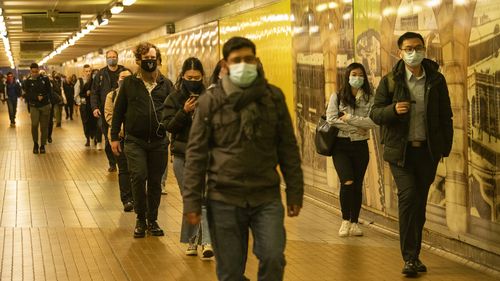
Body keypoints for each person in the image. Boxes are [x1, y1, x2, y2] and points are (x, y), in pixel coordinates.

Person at [182, 36, 304, 281]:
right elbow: (196, 155)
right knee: (230, 272)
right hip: (224, 198)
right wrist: (192, 202)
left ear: (257, 61)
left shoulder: (273, 97)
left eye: (248, 59)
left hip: (265, 196)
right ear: (225, 65)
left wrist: (294, 192)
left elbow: (288, 148)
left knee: (273, 257)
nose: (244, 64)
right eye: (237, 60)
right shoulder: (211, 101)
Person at [370, 32, 453, 277]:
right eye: (408, 48)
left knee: (418, 204)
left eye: (417, 47)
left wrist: (444, 148)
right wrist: (393, 110)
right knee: (408, 197)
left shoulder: (436, 80)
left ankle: (414, 255)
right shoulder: (390, 81)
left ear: (424, 48)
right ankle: (409, 258)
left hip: (426, 153)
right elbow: (375, 113)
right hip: (400, 153)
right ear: (400, 52)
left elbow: (445, 116)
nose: (413, 52)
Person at [111, 42, 173, 238]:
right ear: (138, 61)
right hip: (134, 140)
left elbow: (174, 111)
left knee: (155, 182)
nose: (149, 62)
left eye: (152, 59)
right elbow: (119, 110)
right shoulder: (130, 84)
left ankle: (152, 220)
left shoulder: (166, 84)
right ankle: (140, 218)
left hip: (159, 142)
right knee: (138, 176)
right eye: (145, 59)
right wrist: (114, 137)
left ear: (158, 60)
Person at [163, 57, 213, 259]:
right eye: (189, 77)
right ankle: (193, 241)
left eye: (197, 77)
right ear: (182, 77)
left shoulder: (210, 97)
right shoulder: (174, 99)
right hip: (183, 156)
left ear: (202, 77)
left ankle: (207, 241)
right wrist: (184, 112)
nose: (193, 80)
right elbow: (168, 126)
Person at [326, 62, 377, 237]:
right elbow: (332, 119)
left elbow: (372, 121)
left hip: (360, 145)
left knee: (357, 185)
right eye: (354, 74)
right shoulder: (338, 96)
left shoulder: (371, 98)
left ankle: (355, 222)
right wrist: (356, 126)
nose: (357, 78)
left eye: (360, 75)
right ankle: (345, 221)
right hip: (341, 146)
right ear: (348, 77)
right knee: (347, 181)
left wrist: (349, 118)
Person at [104, 69, 134, 212]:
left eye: (127, 77)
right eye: (122, 78)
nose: (124, 80)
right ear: (118, 80)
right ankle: (127, 199)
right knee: (123, 168)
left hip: (134, 137)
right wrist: (121, 129)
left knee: (136, 169)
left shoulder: (137, 94)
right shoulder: (112, 95)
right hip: (119, 136)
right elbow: (109, 115)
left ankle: (137, 196)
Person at [92, 50, 126, 172]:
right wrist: (95, 107)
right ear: (106, 59)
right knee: (108, 139)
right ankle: (112, 162)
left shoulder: (124, 71)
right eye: (110, 57)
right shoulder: (101, 74)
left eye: (114, 57)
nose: (112, 59)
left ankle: (122, 161)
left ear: (117, 58)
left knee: (123, 137)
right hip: (105, 111)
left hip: (123, 110)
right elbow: (94, 92)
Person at [22, 63, 52, 154]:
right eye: (33, 72)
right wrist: (36, 97)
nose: (35, 73)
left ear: (38, 70)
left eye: (36, 71)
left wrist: (43, 96)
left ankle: (42, 145)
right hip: (34, 106)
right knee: (34, 125)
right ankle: (35, 143)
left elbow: (49, 91)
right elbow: (26, 94)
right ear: (30, 71)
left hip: (45, 105)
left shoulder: (45, 79)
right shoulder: (27, 81)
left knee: (44, 127)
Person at [74, 64, 97, 147]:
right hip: (84, 106)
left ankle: (94, 137)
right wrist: (80, 103)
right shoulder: (80, 81)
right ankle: (87, 138)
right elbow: (76, 94)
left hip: (93, 106)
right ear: (83, 72)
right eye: (86, 71)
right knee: (85, 123)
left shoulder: (94, 80)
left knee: (94, 122)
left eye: (89, 71)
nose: (88, 73)